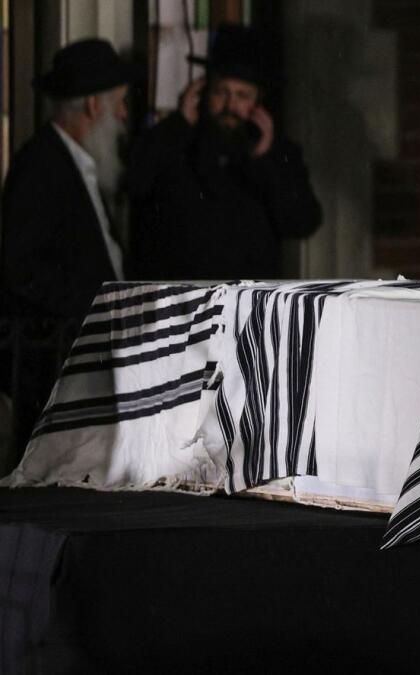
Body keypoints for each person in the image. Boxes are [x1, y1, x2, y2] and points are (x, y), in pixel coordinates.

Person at [1, 38, 136, 457]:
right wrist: (95, 305)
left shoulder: (76, 161)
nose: (124, 114)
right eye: (120, 103)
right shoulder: (40, 165)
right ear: (93, 106)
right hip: (56, 372)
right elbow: (19, 269)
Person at [128, 23, 321, 280]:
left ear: (258, 101)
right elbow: (136, 182)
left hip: (248, 297)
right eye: (221, 92)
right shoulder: (176, 141)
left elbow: (303, 222)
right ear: (203, 92)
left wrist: (264, 160)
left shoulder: (278, 153)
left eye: (242, 95)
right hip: (185, 296)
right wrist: (178, 125)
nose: (230, 105)